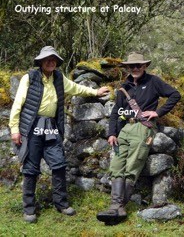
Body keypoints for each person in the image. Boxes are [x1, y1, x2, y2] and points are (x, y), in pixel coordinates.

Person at [9, 46, 110, 223]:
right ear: (40, 61)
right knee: (31, 168)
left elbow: (76, 88)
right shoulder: (30, 78)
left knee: (58, 164)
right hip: (32, 127)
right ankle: (29, 209)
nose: (51, 62)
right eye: (47, 59)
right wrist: (14, 129)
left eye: (54, 59)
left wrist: (95, 92)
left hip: (51, 126)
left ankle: (61, 203)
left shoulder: (58, 78)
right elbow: (18, 103)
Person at [96, 52, 181, 225]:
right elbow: (116, 112)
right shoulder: (123, 87)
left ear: (144, 66)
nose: (135, 68)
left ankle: (119, 207)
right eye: (131, 66)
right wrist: (112, 133)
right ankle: (115, 206)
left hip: (143, 128)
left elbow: (175, 95)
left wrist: (158, 112)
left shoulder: (153, 82)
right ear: (127, 67)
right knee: (116, 166)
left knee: (132, 166)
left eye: (138, 65)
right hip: (125, 128)